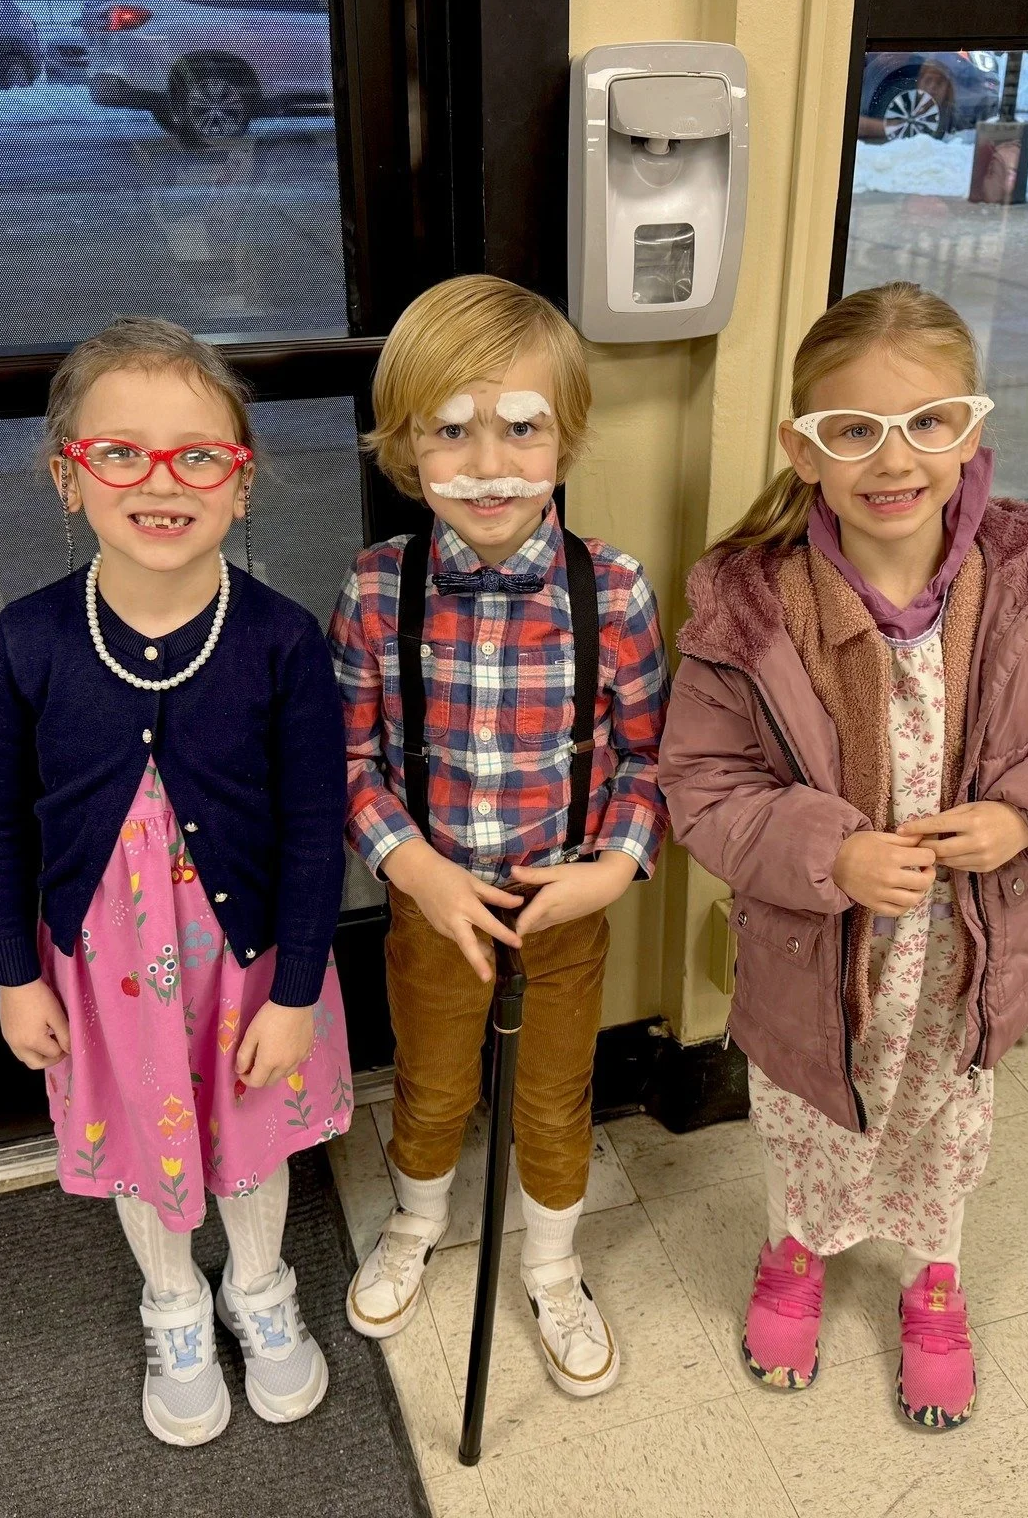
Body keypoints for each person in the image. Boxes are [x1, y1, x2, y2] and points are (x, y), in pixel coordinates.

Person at [659, 282, 1028, 1429]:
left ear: (972, 428)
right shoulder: (751, 609)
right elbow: (703, 787)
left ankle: (935, 1282)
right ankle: (796, 1252)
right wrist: (835, 855)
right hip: (813, 958)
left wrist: (1023, 817)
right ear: (803, 448)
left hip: (969, 954)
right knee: (807, 1118)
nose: (895, 458)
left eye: (929, 422)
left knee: (945, 1123)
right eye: (853, 430)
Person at [0, 317, 350, 1447]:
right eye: (120, 453)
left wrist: (295, 994)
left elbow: (318, 825)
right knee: (143, 1136)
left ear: (242, 484)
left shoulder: (280, 642)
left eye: (198, 455)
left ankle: (259, 1286)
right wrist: (10, 975)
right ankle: (175, 1303)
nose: (160, 481)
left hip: (251, 964)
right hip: (101, 969)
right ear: (67, 478)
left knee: (249, 1132)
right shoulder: (25, 642)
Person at [329, 274, 669, 1398]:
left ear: (564, 440)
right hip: (435, 907)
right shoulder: (380, 592)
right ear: (406, 447)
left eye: (521, 429)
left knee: (553, 1093)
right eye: (451, 429)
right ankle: (417, 1220)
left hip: (561, 906)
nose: (488, 460)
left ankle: (556, 1265)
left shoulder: (612, 590)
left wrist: (614, 865)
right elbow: (351, 762)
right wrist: (413, 866)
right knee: (430, 1083)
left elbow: (649, 761)